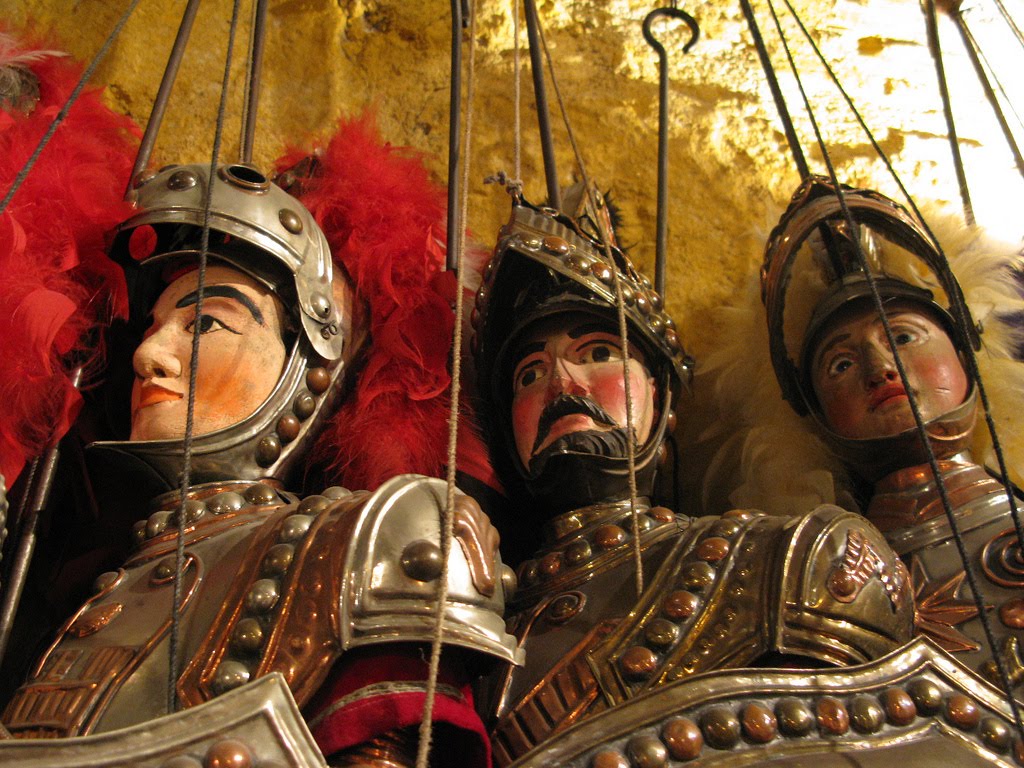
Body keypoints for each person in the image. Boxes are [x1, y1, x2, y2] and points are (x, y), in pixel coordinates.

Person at [0, 117, 518, 767]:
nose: (148, 355)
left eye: (205, 323)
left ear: (308, 370)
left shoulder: (353, 549)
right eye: (153, 327)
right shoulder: (95, 586)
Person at [470, 187, 914, 766]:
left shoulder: (785, 564)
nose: (560, 382)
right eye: (529, 375)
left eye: (599, 353)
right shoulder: (479, 614)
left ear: (660, 396)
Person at [756, 174, 1024, 694]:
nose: (880, 368)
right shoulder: (824, 577)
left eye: (902, 336)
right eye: (840, 364)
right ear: (816, 413)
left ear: (964, 353)